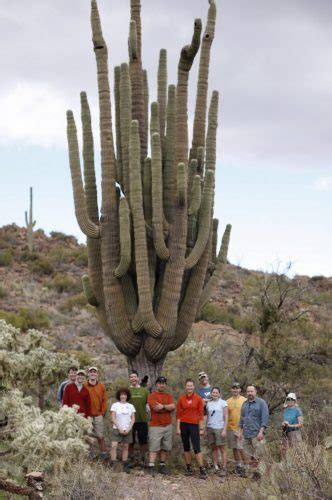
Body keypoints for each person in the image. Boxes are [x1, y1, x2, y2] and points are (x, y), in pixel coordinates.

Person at [176, 379, 207, 479]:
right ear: (185, 387)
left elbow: (201, 414)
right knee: (186, 447)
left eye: (191, 386)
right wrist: (177, 428)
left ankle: (202, 469)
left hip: (194, 425)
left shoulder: (198, 399)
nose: (189, 387)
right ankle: (188, 468)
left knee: (197, 447)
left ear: (194, 387)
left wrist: (202, 428)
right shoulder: (181, 399)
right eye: (188, 386)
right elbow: (178, 415)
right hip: (183, 425)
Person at [146, 376, 175, 476]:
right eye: (160, 383)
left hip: (167, 425)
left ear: (165, 385)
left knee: (165, 447)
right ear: (156, 384)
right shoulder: (152, 396)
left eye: (163, 383)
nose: (162, 385)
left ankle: (162, 466)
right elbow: (155, 408)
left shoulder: (168, 396)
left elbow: (173, 406)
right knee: (154, 447)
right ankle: (151, 466)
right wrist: (167, 407)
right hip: (155, 426)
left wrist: (163, 406)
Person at [238, 385, 269, 472]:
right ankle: (253, 474)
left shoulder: (261, 403)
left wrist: (261, 432)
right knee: (249, 456)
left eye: (252, 391)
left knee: (259, 455)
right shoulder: (244, 404)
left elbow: (265, 418)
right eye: (248, 391)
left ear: (255, 392)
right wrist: (240, 432)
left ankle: (262, 473)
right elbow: (242, 419)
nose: (250, 393)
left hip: (257, 434)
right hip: (246, 434)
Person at [84, 366, 108, 458]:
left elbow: (104, 400)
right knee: (88, 435)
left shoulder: (101, 386)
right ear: (88, 374)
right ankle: (90, 454)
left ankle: (104, 454)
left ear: (97, 374)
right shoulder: (84, 385)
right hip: (87, 416)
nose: (93, 373)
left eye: (94, 372)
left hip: (98, 415)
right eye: (91, 372)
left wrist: (102, 412)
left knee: (100, 436)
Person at [110, 388, 135, 473]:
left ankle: (125, 465)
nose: (123, 396)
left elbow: (133, 419)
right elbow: (113, 418)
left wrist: (128, 429)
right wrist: (119, 428)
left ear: (127, 396)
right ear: (119, 396)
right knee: (114, 446)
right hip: (117, 429)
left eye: (124, 394)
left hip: (127, 429)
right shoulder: (115, 405)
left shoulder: (131, 406)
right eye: (121, 394)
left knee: (125, 447)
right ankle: (113, 464)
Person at [128, 370, 150, 467]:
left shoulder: (144, 390)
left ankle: (142, 459)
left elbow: (148, 404)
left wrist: (150, 414)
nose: (133, 378)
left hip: (142, 419)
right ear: (130, 379)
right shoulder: (127, 391)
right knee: (130, 441)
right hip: (129, 421)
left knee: (143, 441)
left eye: (135, 377)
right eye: (131, 377)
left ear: (137, 378)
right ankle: (131, 459)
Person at [205, 387, 228, 475]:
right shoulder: (209, 403)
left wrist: (224, 429)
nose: (214, 394)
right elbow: (208, 417)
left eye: (216, 393)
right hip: (210, 427)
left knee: (222, 448)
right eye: (213, 393)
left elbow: (226, 417)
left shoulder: (223, 403)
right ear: (211, 394)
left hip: (220, 428)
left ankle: (224, 468)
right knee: (214, 448)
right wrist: (206, 428)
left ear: (219, 394)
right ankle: (215, 467)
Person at [227, 382, 246, 475]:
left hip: (242, 428)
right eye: (233, 388)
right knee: (234, 448)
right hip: (230, 427)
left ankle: (245, 466)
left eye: (237, 388)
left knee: (241, 448)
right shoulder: (227, 401)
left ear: (240, 390)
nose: (235, 390)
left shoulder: (244, 400)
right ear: (231, 390)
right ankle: (238, 466)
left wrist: (242, 428)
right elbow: (225, 415)